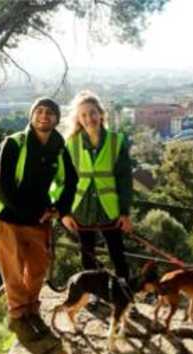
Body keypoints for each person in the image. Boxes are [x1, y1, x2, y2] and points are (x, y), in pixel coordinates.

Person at [0, 98, 78, 343]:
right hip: (10, 218)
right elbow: (2, 188)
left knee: (37, 268)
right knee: (12, 269)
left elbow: (71, 181)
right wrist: (35, 212)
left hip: (39, 220)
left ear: (57, 119)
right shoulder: (14, 143)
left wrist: (59, 209)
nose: (44, 116)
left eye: (50, 113)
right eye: (39, 111)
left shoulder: (58, 146)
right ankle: (17, 317)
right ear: (32, 115)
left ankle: (32, 310)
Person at [63, 91, 135, 283]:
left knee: (117, 254)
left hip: (109, 208)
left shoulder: (116, 141)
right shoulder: (71, 144)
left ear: (101, 114)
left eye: (92, 113)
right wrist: (64, 213)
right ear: (78, 119)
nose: (89, 118)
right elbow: (62, 180)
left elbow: (125, 180)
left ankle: (126, 297)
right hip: (81, 208)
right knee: (87, 256)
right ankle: (93, 295)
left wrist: (125, 213)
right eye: (83, 115)